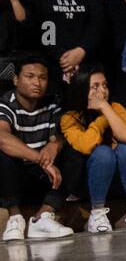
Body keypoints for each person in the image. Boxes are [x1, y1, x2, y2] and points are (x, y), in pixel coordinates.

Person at [0, 56, 78, 241]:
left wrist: (55, 145)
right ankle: (15, 218)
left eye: (42, 78)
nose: (37, 82)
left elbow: (64, 132)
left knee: (75, 151)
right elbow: (3, 138)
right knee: (2, 153)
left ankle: (42, 217)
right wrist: (40, 158)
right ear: (16, 79)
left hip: (45, 178)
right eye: (30, 76)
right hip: (16, 178)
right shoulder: (5, 103)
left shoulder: (52, 103)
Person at [60, 65, 126, 233]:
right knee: (103, 152)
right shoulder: (70, 118)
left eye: (105, 85)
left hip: (122, 179)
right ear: (82, 89)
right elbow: (86, 146)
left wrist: (106, 108)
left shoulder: (115, 108)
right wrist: (102, 119)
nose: (102, 91)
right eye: (95, 86)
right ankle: (97, 213)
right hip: (90, 182)